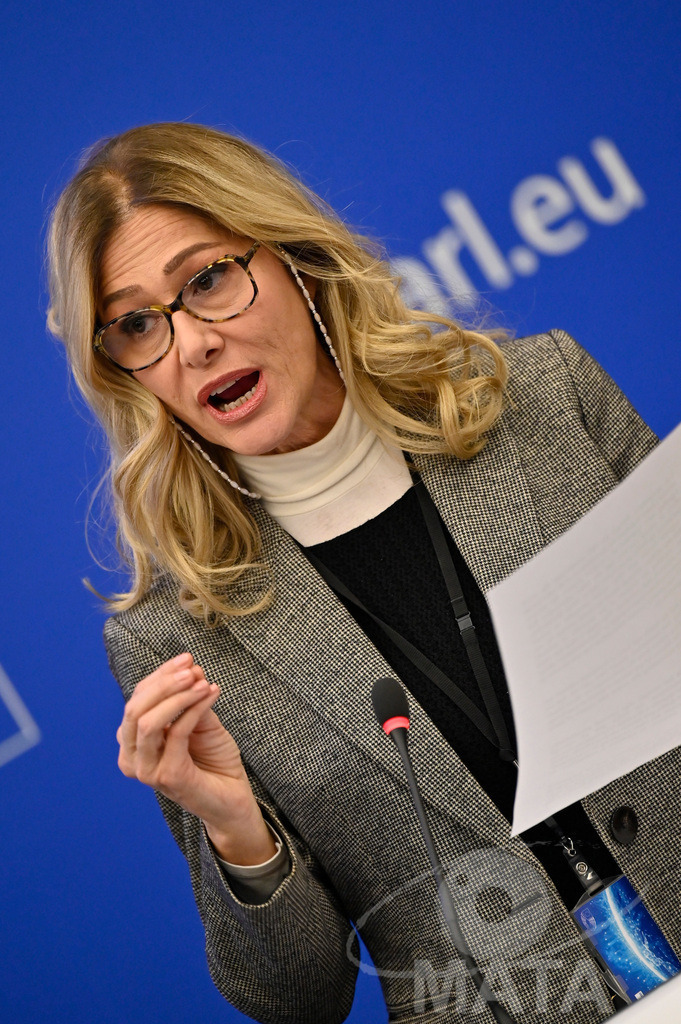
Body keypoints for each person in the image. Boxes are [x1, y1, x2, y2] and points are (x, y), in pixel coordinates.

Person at [47, 122, 679, 1024]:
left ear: (298, 261)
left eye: (208, 280)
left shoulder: (545, 400)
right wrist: (236, 830)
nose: (190, 345)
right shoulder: (174, 637)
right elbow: (295, 998)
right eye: (138, 324)